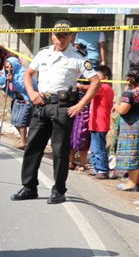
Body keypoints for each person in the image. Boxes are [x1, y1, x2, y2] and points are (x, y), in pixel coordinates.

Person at [13, 19, 102, 204]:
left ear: (71, 37)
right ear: (52, 36)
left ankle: (59, 190)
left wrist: (80, 105)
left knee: (60, 150)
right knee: (33, 147)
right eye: (57, 35)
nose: (61, 39)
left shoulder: (78, 57)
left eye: (64, 36)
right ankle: (29, 187)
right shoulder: (43, 53)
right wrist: (31, 93)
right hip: (41, 104)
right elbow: (28, 74)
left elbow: (95, 82)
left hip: (62, 107)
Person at [88, 64, 115, 179]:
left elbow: (91, 89)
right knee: (95, 148)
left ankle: (102, 169)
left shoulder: (104, 87)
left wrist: (79, 85)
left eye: (97, 77)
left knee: (99, 147)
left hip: (100, 123)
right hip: (95, 122)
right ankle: (96, 168)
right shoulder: (103, 87)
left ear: (105, 78)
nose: (95, 80)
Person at [5, 56, 33, 148]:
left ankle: (23, 142)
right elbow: (1, 80)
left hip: (26, 99)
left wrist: (13, 80)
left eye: (11, 67)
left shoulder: (23, 73)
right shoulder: (9, 73)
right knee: (15, 121)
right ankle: (24, 138)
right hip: (17, 99)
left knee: (21, 122)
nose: (9, 69)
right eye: (7, 67)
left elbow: (23, 88)